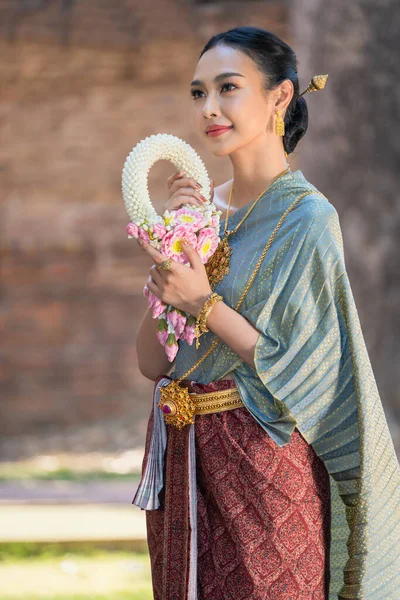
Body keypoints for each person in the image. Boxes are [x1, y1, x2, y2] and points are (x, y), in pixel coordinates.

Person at [133, 26, 400, 600]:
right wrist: (174, 260)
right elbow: (151, 363)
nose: (210, 108)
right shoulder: (198, 214)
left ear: (280, 97)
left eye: (228, 88)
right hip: (184, 461)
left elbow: (308, 368)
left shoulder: (309, 221)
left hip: (265, 465)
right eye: (198, 93)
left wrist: (203, 302)